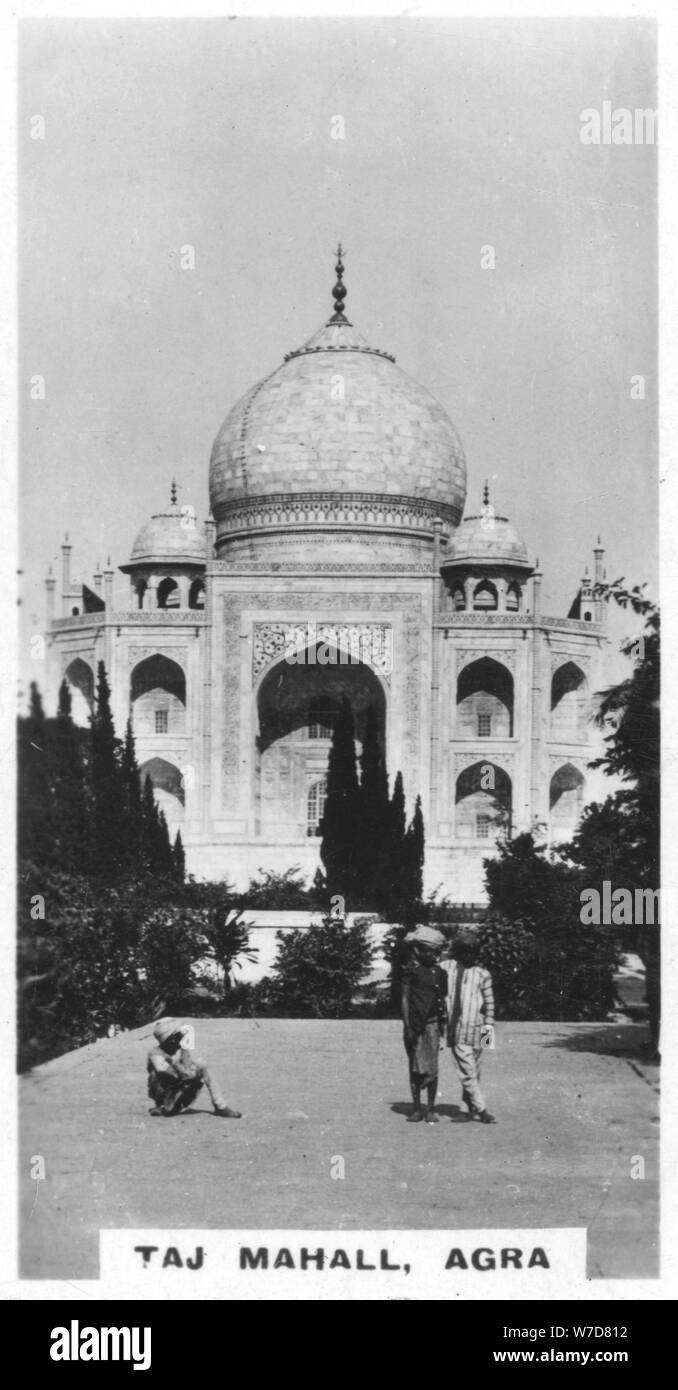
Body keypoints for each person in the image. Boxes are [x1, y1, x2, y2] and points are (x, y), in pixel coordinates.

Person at [443, 936, 496, 1124]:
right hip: (457, 1028)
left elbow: (489, 1003)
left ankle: (466, 1110)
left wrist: (488, 1036)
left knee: (476, 1070)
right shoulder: (448, 968)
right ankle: (482, 1109)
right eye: (464, 951)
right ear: (457, 953)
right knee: (467, 1071)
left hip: (480, 1028)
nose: (469, 955)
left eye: (472, 951)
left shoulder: (482, 974)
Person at [147, 1018, 242, 1118]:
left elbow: (186, 1071)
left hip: (180, 1094)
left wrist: (184, 1056)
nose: (180, 1037)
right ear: (170, 1039)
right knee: (158, 1076)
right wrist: (180, 1066)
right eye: (177, 1036)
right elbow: (169, 1076)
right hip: (167, 1098)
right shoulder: (156, 1054)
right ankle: (162, 1107)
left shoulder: (178, 1049)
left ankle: (220, 1106)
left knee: (203, 1066)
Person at [401, 927, 448, 1124]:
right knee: (414, 1067)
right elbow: (405, 999)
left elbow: (442, 999)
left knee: (432, 1068)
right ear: (418, 951)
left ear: (437, 953)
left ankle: (430, 1109)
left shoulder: (440, 973)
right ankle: (416, 1108)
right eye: (425, 950)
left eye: (433, 951)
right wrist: (408, 1026)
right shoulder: (411, 971)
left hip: (433, 1025)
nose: (429, 954)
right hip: (414, 1025)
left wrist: (444, 1025)